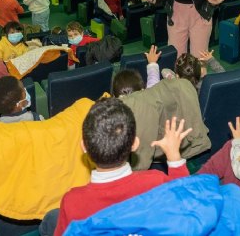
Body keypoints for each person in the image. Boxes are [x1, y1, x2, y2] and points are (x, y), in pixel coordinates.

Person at [52, 98, 191, 235]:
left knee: (50, 220)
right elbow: (187, 204)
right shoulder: (156, 181)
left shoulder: (72, 202)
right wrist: (174, 156)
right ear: (135, 144)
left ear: (84, 146)